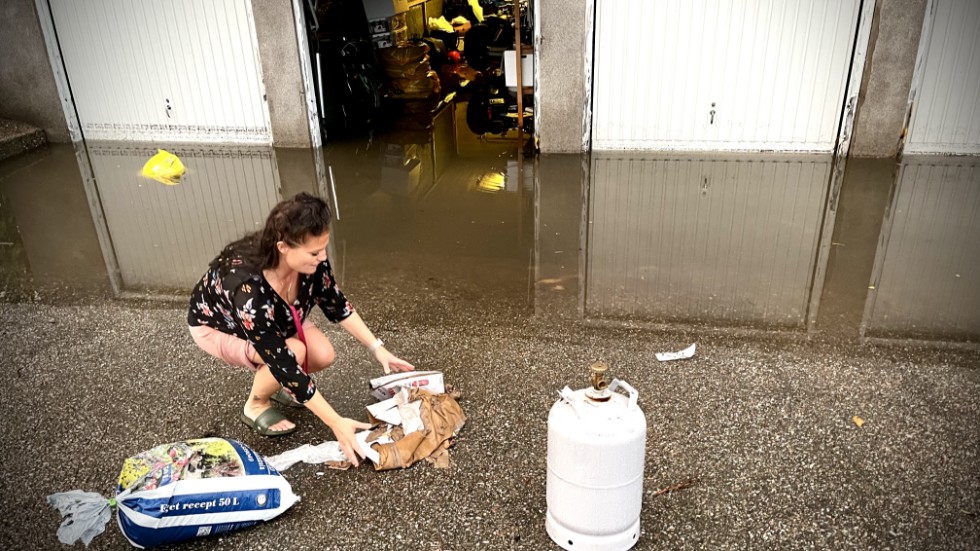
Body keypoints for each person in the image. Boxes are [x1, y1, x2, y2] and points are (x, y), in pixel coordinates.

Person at [187, 192, 414, 466]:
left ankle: (283, 389)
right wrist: (336, 422)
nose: (322, 257)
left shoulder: (311, 260)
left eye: (324, 248)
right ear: (283, 247)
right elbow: (282, 361)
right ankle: (256, 404)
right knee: (294, 352)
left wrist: (379, 349)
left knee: (322, 354)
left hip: (281, 315)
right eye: (315, 252)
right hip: (220, 328)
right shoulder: (247, 289)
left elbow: (336, 303)